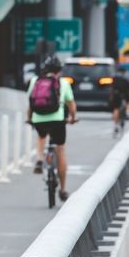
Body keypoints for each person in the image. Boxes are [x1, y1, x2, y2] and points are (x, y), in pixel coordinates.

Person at [28, 54, 78, 201]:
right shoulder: (63, 83)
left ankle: (39, 158)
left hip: (39, 118)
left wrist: (29, 119)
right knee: (60, 150)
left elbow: (30, 103)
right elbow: (71, 105)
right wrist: (73, 118)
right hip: (58, 120)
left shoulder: (34, 81)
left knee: (41, 136)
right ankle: (62, 190)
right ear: (59, 70)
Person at [109, 66, 129, 137]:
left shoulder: (115, 76)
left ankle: (115, 125)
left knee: (116, 108)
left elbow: (112, 88)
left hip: (116, 94)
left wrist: (111, 97)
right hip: (126, 94)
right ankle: (128, 112)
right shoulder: (127, 76)